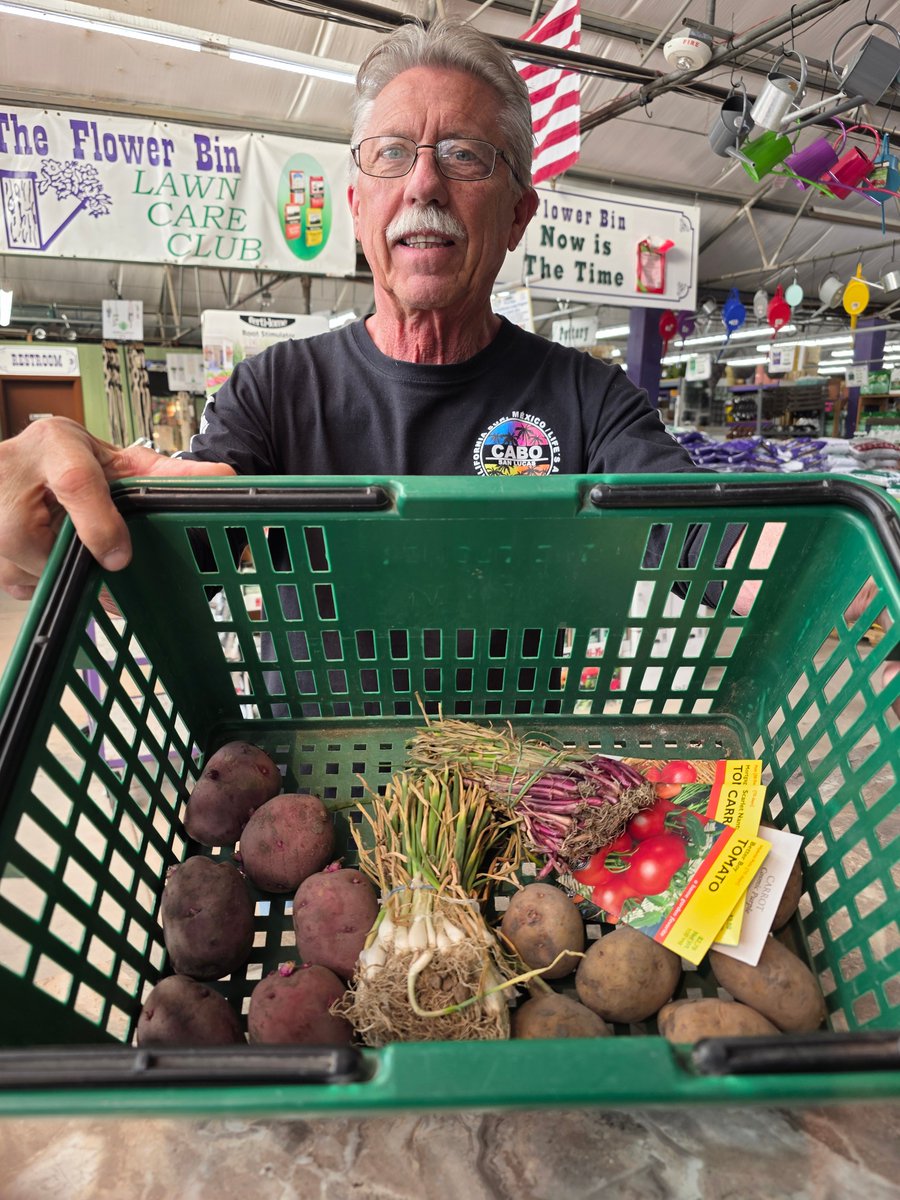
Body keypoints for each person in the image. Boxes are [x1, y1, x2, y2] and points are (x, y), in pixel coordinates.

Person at [0, 17, 711, 604]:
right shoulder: (272, 392)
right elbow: (192, 547)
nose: (424, 182)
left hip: (518, 766)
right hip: (308, 762)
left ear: (520, 214)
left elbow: (729, 543)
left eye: (464, 156)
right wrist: (84, 500)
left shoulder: (591, 399)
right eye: (393, 155)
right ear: (357, 206)